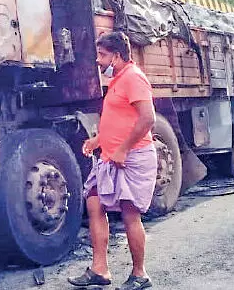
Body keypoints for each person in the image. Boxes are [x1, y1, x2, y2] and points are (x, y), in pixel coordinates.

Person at [68, 31, 157, 290]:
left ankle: (140, 274)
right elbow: (121, 118)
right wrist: (98, 140)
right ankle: (100, 270)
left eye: (102, 55)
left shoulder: (134, 78)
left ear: (117, 56)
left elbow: (147, 118)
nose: (98, 60)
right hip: (110, 157)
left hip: (132, 157)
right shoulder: (118, 79)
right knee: (94, 203)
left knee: (130, 215)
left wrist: (123, 150)